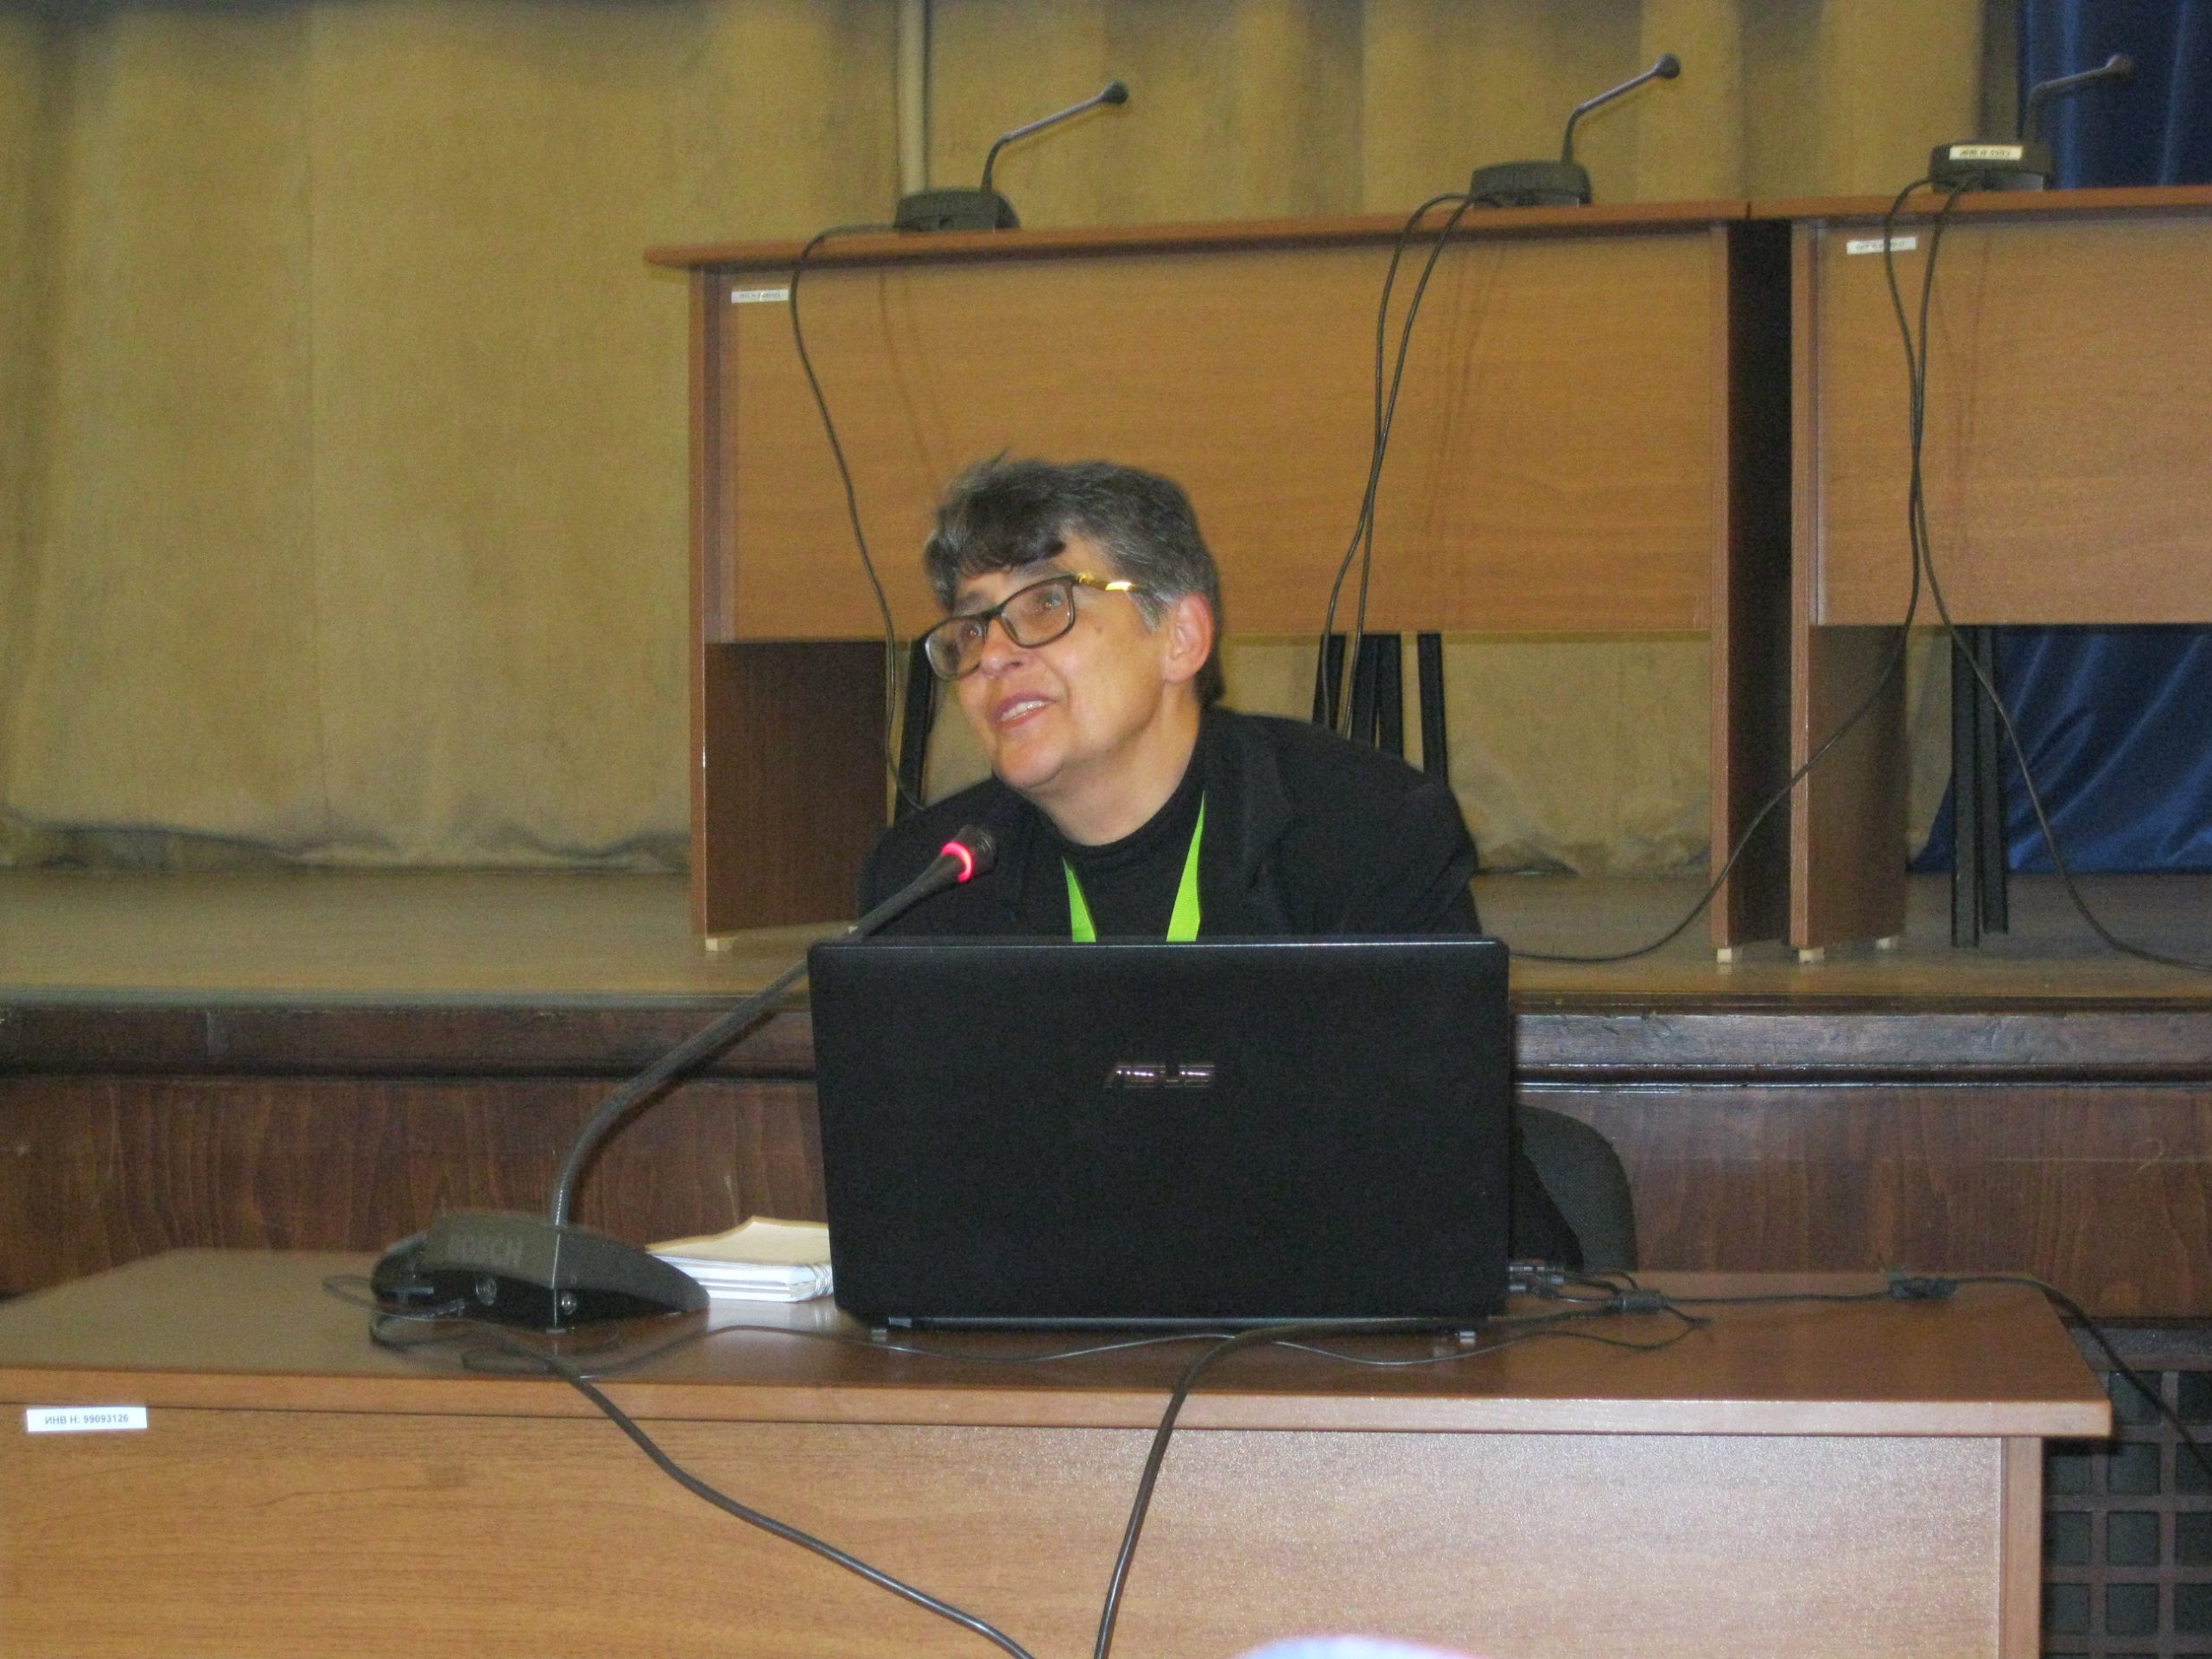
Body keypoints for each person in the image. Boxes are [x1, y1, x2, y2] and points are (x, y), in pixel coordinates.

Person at [861, 457, 1580, 1265]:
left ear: (1182, 637)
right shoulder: (929, 882)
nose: (993, 655)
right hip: (1050, 1320)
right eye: (970, 627)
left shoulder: (1361, 833)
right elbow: (928, 1208)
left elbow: (1429, 1180)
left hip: (1329, 1320)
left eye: (1045, 604)